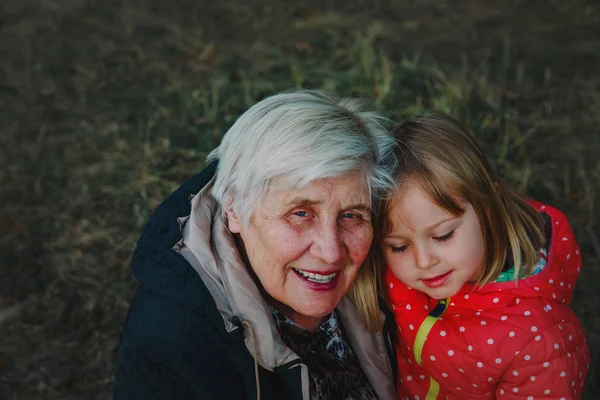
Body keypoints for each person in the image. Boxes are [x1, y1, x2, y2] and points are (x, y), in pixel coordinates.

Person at [114, 90, 400, 400]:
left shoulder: (402, 264)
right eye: (300, 214)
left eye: (351, 215)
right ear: (234, 209)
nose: (331, 251)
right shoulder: (171, 345)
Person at [378, 114, 590, 399]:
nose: (423, 261)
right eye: (399, 246)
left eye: (443, 236)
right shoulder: (397, 273)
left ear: (488, 209)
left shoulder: (540, 344)